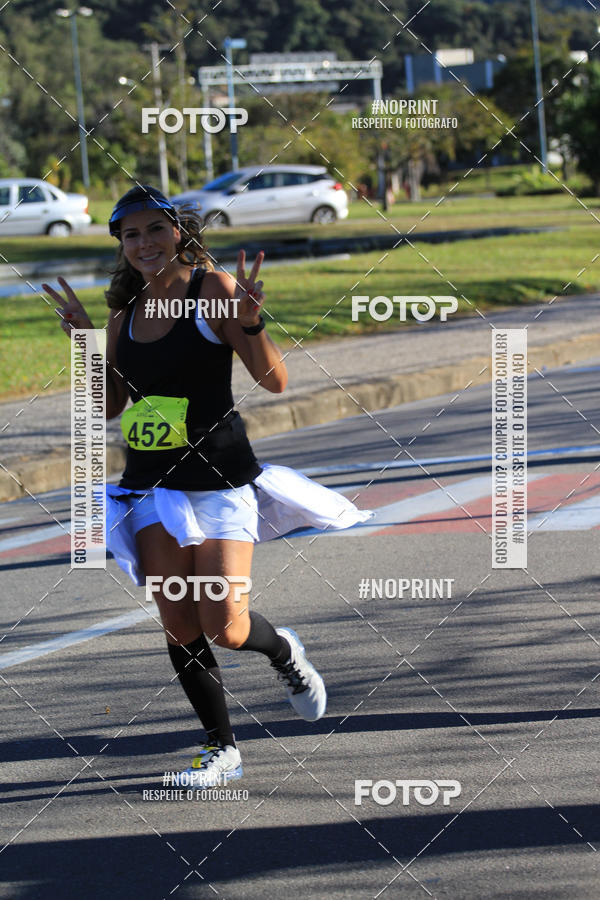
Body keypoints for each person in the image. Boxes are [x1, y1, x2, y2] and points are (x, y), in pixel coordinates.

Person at [46, 184, 372, 787]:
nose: (144, 244)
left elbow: (273, 380)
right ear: (121, 245)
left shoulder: (212, 291)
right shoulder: (125, 314)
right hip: (149, 487)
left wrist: (251, 323)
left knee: (227, 625)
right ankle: (221, 751)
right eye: (130, 235)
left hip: (219, 480)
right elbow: (111, 405)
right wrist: (87, 346)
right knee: (179, 622)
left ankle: (284, 654)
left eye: (154, 230)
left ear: (179, 232)